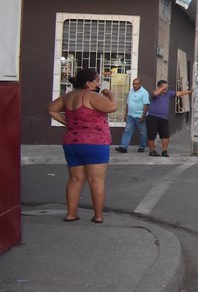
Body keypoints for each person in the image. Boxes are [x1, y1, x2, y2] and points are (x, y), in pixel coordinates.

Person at [47, 68, 117, 223]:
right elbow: (112, 107)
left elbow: (51, 109)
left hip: (72, 143)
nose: (98, 84)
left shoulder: (68, 97)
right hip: (95, 143)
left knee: (75, 179)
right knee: (96, 180)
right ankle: (98, 216)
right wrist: (110, 94)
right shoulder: (91, 95)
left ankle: (71, 213)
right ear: (88, 83)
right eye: (97, 80)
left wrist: (68, 123)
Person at [146, 80, 194, 157]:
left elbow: (178, 93)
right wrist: (162, 88)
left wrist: (190, 91)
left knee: (165, 135)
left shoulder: (169, 93)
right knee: (151, 135)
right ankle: (152, 151)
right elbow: (154, 93)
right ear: (159, 87)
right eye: (163, 87)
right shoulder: (155, 93)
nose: (165, 89)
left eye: (166, 87)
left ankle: (164, 151)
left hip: (164, 118)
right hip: (153, 117)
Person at [116, 77, 149, 153]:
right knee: (127, 131)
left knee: (142, 132)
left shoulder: (144, 93)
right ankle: (123, 147)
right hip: (130, 115)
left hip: (139, 116)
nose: (134, 86)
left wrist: (142, 116)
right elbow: (128, 103)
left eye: (136, 84)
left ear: (140, 84)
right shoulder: (131, 91)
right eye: (133, 84)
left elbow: (146, 105)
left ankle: (142, 147)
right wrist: (126, 114)